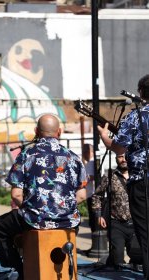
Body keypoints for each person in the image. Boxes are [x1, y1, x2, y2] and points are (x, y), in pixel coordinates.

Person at [0, 114, 87, 279]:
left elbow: (16, 194)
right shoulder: (73, 157)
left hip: (35, 219)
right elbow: (82, 195)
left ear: (36, 131)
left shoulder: (27, 154)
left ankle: (21, 269)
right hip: (68, 220)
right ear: (60, 131)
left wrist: (33, 208)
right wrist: (62, 207)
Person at [98, 74, 149, 279]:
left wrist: (105, 138)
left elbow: (119, 147)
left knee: (145, 233)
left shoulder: (136, 116)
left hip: (142, 183)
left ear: (141, 92)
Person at [92, 153, 136, 268]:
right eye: (120, 157)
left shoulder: (138, 175)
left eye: (126, 156)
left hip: (136, 223)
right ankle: (112, 262)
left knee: (138, 258)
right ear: (116, 158)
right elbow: (97, 196)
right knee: (118, 259)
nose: (123, 159)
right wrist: (99, 215)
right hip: (116, 223)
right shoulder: (110, 175)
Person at [82, 144, 97, 236]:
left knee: (93, 221)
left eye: (84, 152)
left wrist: (82, 182)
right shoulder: (89, 163)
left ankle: (96, 244)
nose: (83, 154)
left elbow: (91, 177)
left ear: (89, 152)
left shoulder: (91, 163)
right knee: (92, 221)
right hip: (90, 195)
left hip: (93, 195)